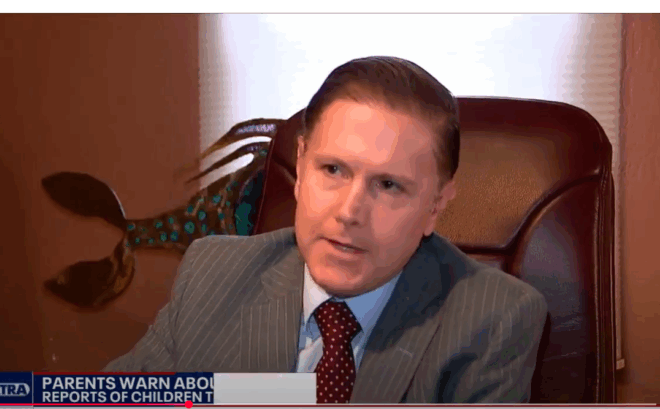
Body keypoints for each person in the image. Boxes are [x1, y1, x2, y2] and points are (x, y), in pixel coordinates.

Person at [103, 56, 548, 403]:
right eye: (333, 169)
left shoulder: (493, 320)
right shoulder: (214, 273)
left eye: (388, 185)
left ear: (436, 205)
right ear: (300, 167)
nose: (349, 212)